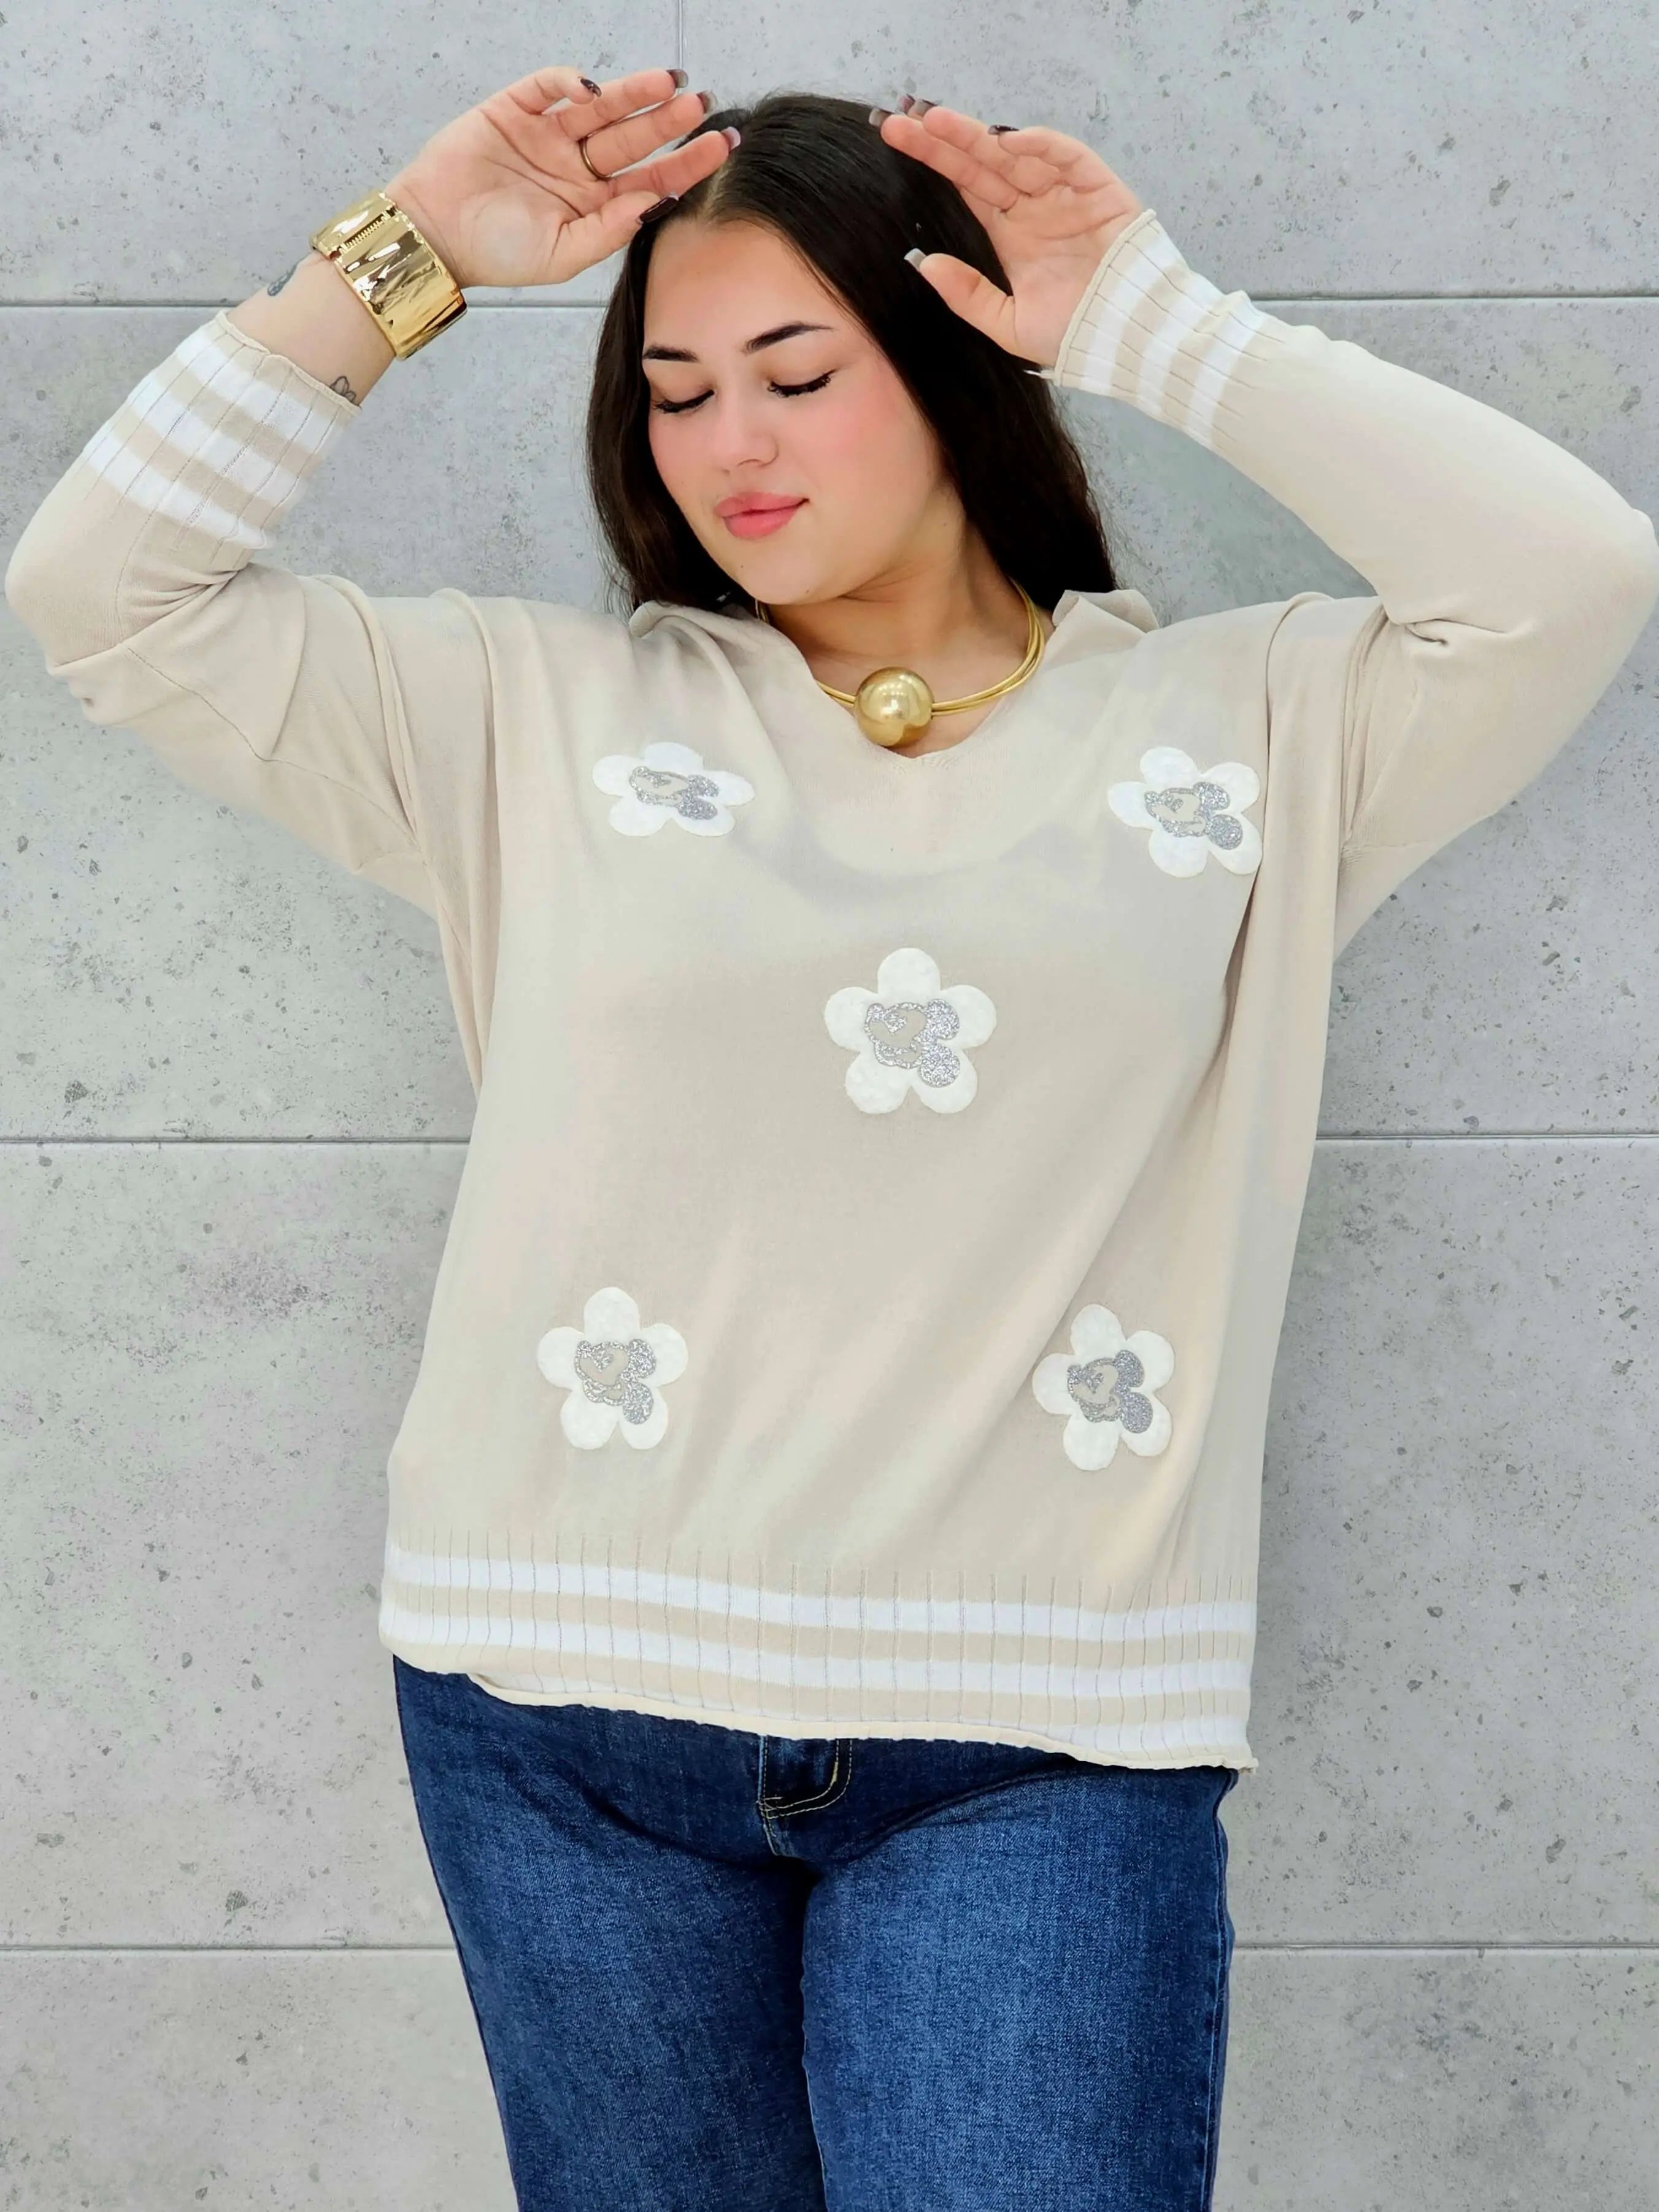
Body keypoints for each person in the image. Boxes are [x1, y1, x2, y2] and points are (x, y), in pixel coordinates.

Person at [7, 58, 1657, 2212]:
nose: (733, 446)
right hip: (561, 1716)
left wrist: (1152, 323)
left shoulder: (1249, 729)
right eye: (677, 394)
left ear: (956, 364)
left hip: (1039, 1739)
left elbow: (1571, 571)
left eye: (797, 373)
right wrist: (403, 257)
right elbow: (104, 594)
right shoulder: (536, 721)